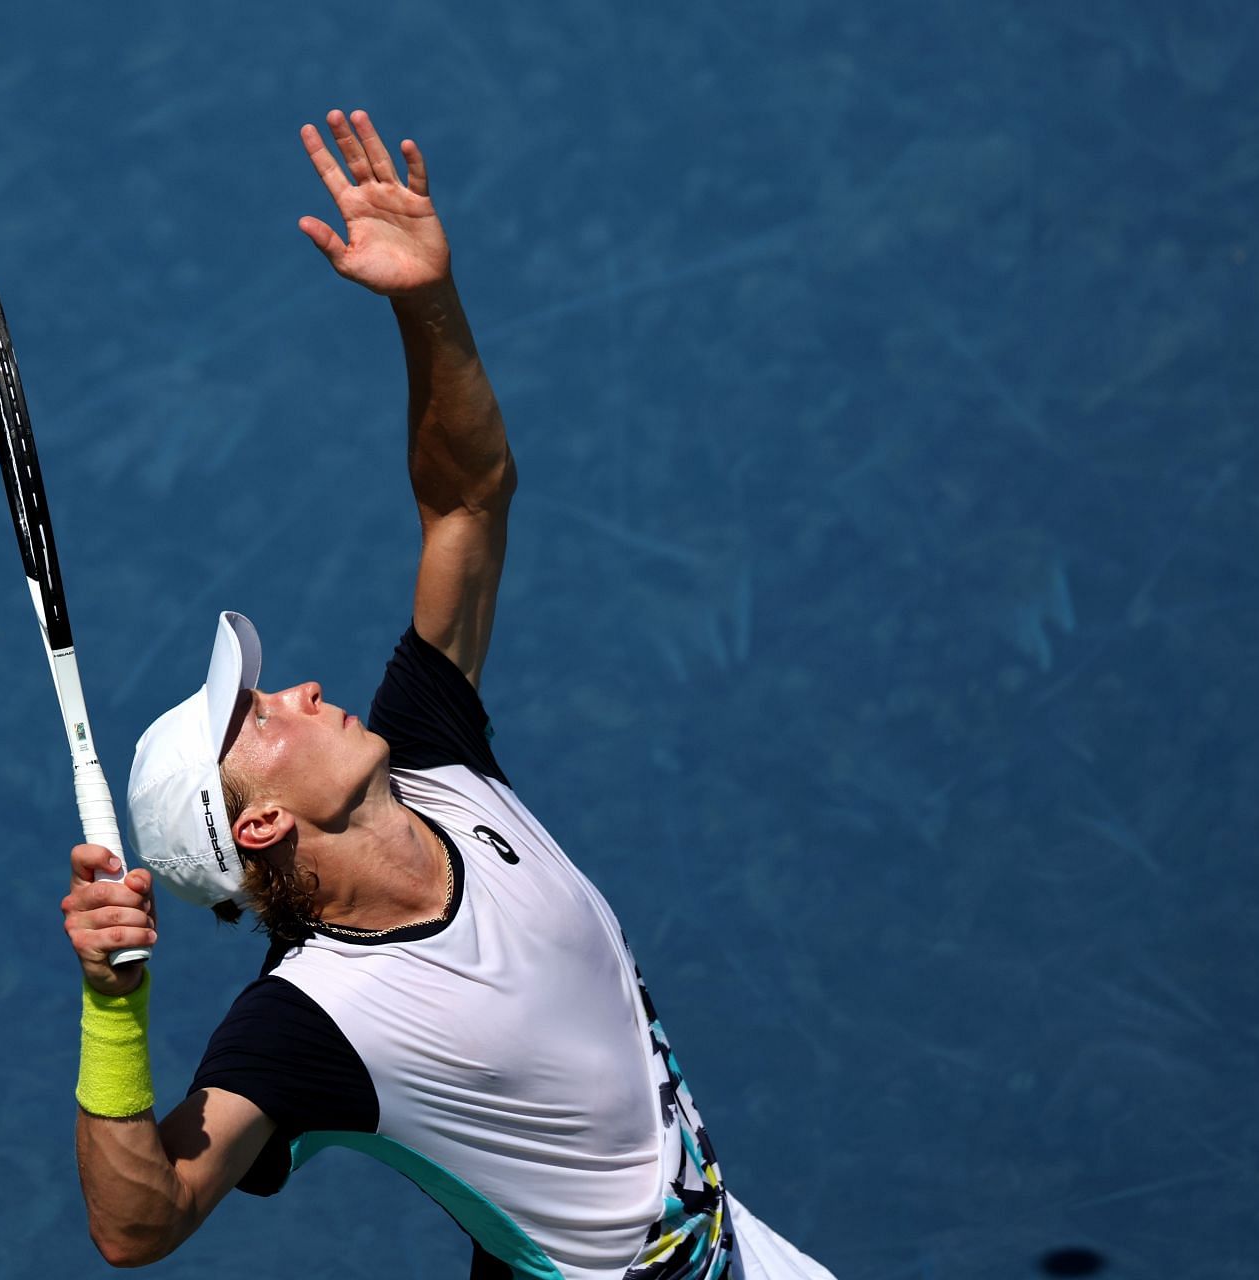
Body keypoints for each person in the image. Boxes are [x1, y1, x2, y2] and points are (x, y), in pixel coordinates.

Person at [60, 109, 838, 1280]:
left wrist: (423, 301)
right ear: (259, 823)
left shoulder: (433, 752)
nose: (301, 689)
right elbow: (140, 1221)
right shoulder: (309, 1022)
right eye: (260, 716)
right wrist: (115, 1009)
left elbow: (468, 499)